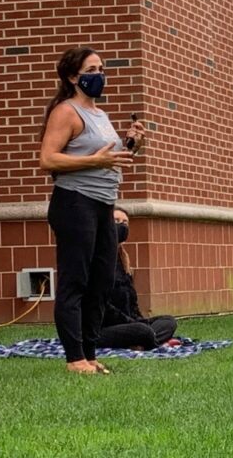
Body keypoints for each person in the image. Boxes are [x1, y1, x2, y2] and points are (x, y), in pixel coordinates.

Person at [39, 47, 145, 374]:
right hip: (74, 203)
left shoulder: (99, 114)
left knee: (101, 281)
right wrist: (94, 161)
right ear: (73, 77)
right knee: (77, 280)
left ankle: (89, 354)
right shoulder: (66, 112)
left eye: (101, 68)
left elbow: (106, 159)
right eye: (91, 69)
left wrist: (130, 145)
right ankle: (74, 359)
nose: (99, 74)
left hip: (103, 205)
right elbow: (48, 159)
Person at [98, 207, 178, 350]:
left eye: (125, 223)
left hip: (131, 324)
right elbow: (103, 306)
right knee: (142, 331)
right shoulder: (98, 259)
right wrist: (132, 324)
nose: (121, 226)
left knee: (169, 321)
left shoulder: (123, 260)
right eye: (116, 221)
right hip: (103, 328)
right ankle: (151, 341)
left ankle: (144, 342)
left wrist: (138, 320)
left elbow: (132, 303)